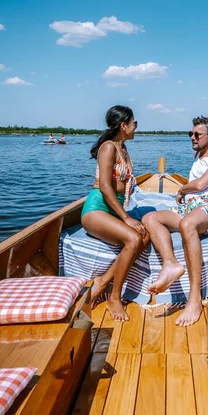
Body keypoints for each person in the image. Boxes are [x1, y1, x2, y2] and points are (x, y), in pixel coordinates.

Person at [143, 116, 208, 327]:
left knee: (187, 224)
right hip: (193, 207)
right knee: (150, 218)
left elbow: (201, 184)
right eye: (190, 134)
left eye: (197, 134)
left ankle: (194, 300)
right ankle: (171, 264)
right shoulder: (198, 156)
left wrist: (182, 190)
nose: (192, 137)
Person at [81, 105, 148, 321]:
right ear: (123, 125)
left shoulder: (124, 149)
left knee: (144, 236)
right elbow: (105, 187)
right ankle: (114, 298)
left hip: (113, 209)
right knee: (132, 238)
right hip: (97, 209)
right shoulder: (108, 147)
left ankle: (102, 281)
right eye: (134, 123)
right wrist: (126, 217)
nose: (136, 127)